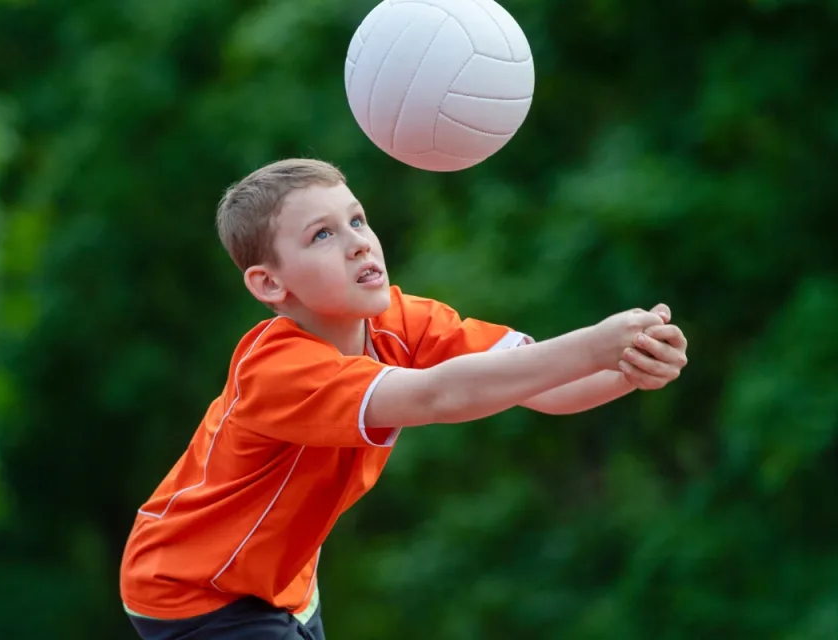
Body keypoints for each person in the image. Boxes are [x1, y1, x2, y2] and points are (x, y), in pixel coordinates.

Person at [118, 158, 689, 639]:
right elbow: (441, 396)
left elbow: (538, 384)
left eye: (357, 219)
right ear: (270, 284)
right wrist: (596, 345)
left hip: (285, 584)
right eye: (323, 235)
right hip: (192, 587)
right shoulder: (277, 369)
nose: (357, 243)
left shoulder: (401, 321)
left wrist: (628, 367)